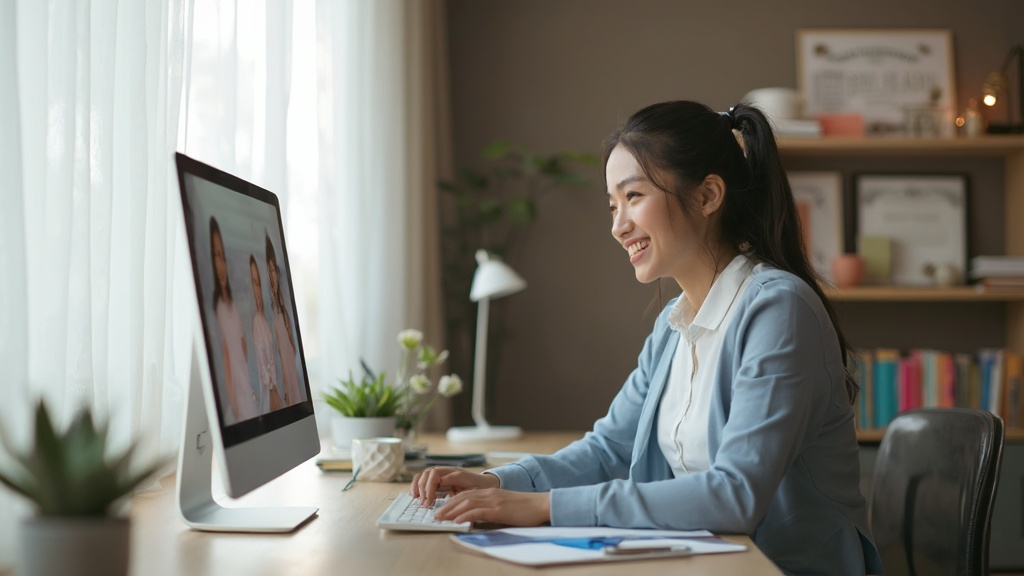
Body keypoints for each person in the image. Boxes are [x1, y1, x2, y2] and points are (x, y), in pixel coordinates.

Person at [412, 101, 883, 575]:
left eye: (633, 196)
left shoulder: (777, 308)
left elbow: (735, 493)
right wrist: (495, 482)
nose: (618, 227)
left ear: (707, 196)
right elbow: (609, 450)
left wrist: (543, 507)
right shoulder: (674, 326)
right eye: (613, 205)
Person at [210, 217, 258, 423]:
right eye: (216, 256)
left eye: (222, 256)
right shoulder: (219, 308)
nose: (221, 264)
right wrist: (234, 400)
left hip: (245, 380)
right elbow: (227, 354)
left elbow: (242, 346)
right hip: (237, 388)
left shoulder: (233, 307)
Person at [266, 234, 302, 406]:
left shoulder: (282, 307)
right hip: (282, 372)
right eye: (268, 271)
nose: (272, 276)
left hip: (290, 371)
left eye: (273, 270)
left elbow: (291, 347)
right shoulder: (271, 308)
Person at [249, 254, 282, 413]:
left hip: (275, 392)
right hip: (271, 395)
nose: (257, 289)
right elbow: (263, 366)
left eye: (259, 283)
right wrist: (273, 391)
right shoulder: (257, 322)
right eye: (254, 283)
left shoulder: (265, 320)